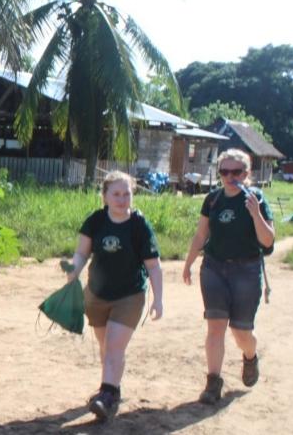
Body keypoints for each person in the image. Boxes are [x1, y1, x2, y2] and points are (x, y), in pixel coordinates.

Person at [65, 171, 163, 421]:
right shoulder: (95, 221)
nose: (121, 199)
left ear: (133, 195)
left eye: (126, 193)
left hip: (129, 295)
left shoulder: (139, 224)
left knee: (114, 347)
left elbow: (153, 265)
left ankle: (106, 396)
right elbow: (81, 254)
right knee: (105, 346)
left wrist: (158, 299)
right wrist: (72, 270)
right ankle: (111, 390)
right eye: (116, 194)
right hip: (97, 294)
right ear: (105, 196)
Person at [182, 149, 275, 404]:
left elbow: (268, 241)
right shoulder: (212, 199)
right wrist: (188, 263)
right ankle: (213, 383)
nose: (230, 177)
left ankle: (250, 356)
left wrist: (256, 213)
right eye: (224, 172)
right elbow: (201, 235)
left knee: (241, 331)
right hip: (214, 268)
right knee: (215, 327)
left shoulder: (256, 198)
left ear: (247, 174)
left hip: (246, 270)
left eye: (236, 172)